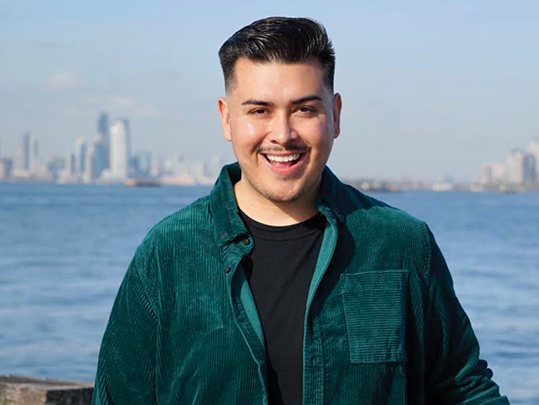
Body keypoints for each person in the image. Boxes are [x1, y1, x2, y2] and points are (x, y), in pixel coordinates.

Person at [92, 16, 510, 405]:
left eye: (305, 109)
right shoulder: (168, 254)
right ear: (226, 119)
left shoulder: (400, 244)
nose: (283, 134)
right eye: (259, 110)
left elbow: (463, 390)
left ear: (336, 115)